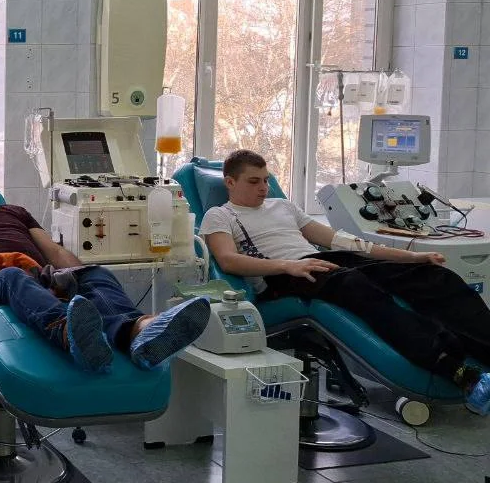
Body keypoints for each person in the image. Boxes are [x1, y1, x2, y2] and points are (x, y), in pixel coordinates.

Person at [200, 148, 490, 415]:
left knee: (435, 277)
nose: (263, 188)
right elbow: (228, 260)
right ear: (230, 182)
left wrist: (411, 257)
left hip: (323, 262)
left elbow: (345, 243)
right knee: (356, 286)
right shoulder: (220, 215)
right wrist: (289, 265)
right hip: (282, 276)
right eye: (253, 182)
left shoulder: (283, 206)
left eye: (266, 180)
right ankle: (456, 371)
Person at [0, 155, 210, 372]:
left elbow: (53, 252)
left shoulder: (15, 212)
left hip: (36, 277)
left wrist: (79, 274)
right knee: (12, 275)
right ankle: (67, 333)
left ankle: (140, 332)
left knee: (95, 274)